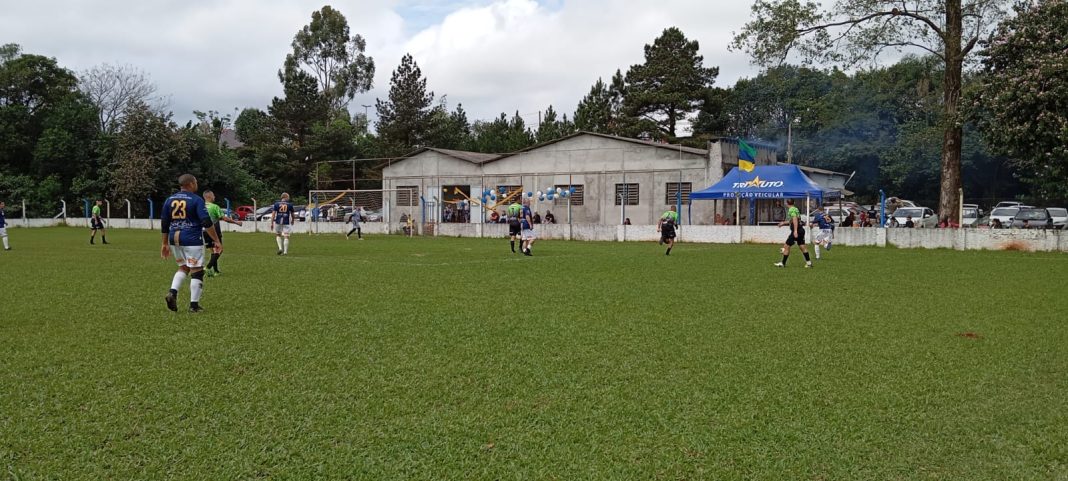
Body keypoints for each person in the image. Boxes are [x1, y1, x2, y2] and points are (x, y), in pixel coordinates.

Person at [161, 174, 221, 313]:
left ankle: (172, 292)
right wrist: (216, 240)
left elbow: (165, 223)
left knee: (183, 267)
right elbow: (206, 222)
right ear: (191, 184)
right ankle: (194, 306)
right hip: (192, 238)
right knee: (197, 271)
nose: (197, 184)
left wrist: (164, 243)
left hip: (174, 238)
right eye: (196, 182)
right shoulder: (196, 199)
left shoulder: (169, 199)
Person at [203, 190, 243, 276]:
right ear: (209, 196)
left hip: (204, 231)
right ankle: (207, 268)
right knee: (219, 250)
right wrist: (236, 222)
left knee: (213, 251)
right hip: (214, 230)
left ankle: (216, 271)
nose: (214, 197)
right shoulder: (214, 207)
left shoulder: (201, 206)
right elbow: (224, 218)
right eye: (213, 195)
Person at [774, 198, 812, 268]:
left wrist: (795, 231)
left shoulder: (791, 210)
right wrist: (783, 223)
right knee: (802, 246)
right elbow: (793, 220)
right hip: (801, 230)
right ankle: (809, 263)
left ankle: (782, 263)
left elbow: (794, 219)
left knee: (786, 246)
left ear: (786, 203)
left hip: (797, 230)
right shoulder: (795, 209)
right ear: (794, 203)